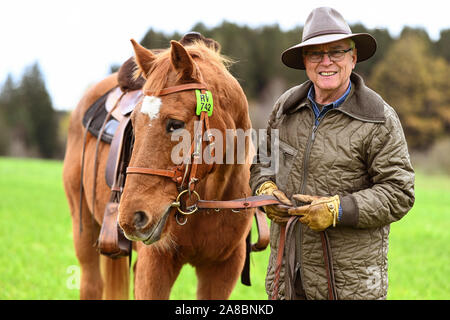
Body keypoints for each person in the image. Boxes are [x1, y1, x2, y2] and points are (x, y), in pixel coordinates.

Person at [250, 7, 415, 300]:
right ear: (305, 61)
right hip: (287, 278)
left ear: (353, 57)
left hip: (348, 286)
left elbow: (399, 192)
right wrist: (265, 188)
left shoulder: (379, 118)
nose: (326, 61)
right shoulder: (285, 107)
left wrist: (338, 209)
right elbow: (263, 161)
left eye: (336, 52)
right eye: (315, 53)